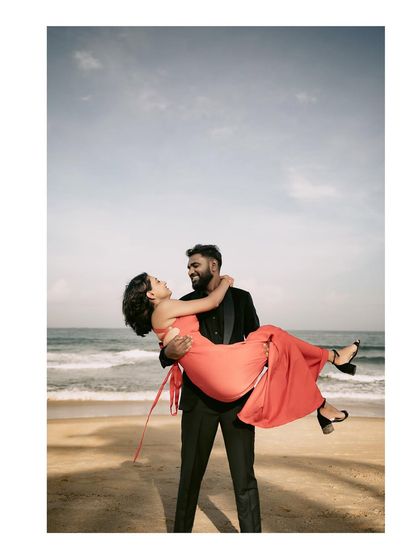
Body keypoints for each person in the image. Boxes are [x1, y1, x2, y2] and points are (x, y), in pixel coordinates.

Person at [122, 248, 360, 533]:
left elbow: (255, 337)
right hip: (199, 402)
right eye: (188, 267)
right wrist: (168, 354)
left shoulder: (243, 298)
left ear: (214, 265)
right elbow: (168, 347)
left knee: (244, 477)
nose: (189, 271)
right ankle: (330, 374)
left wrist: (264, 366)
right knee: (190, 477)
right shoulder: (181, 302)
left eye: (195, 266)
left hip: (238, 400)